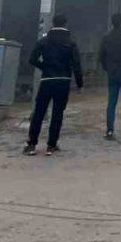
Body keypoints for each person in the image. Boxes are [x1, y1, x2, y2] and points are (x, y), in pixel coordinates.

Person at [24, 14, 84, 156]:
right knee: (58, 113)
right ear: (65, 24)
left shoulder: (44, 41)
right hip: (63, 81)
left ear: (52, 23)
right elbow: (76, 65)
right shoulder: (71, 43)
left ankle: (32, 144)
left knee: (39, 112)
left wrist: (44, 66)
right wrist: (80, 83)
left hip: (47, 80)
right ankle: (51, 146)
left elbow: (32, 59)